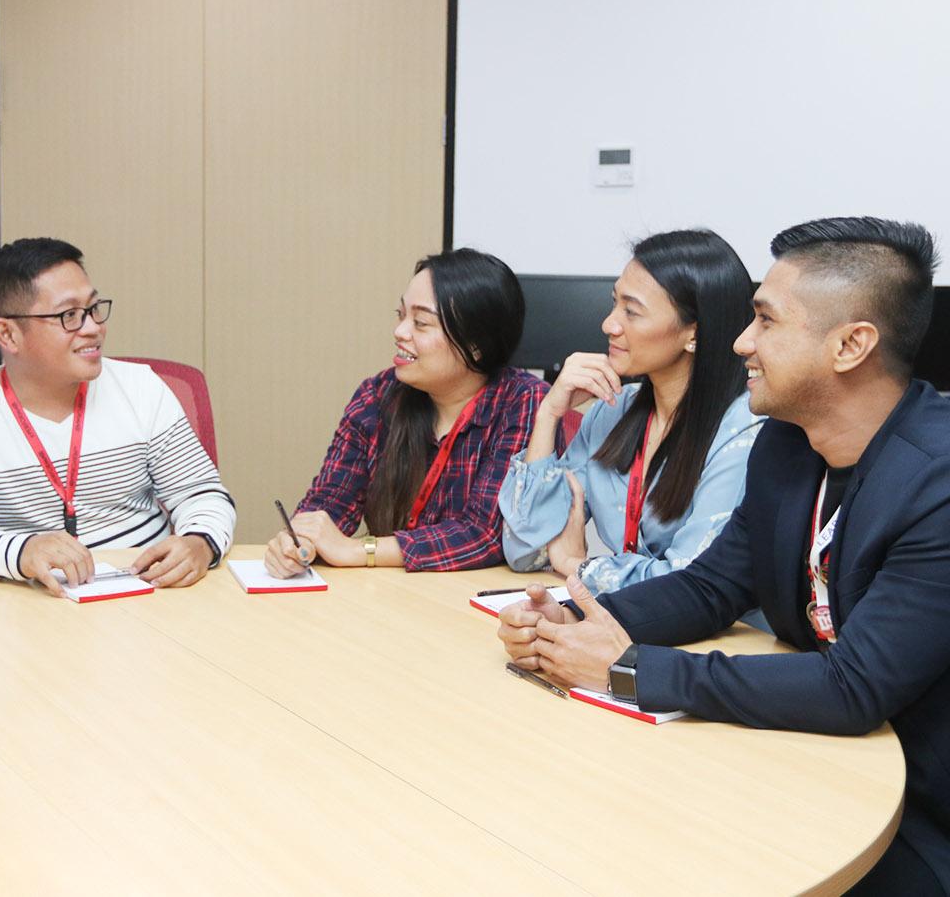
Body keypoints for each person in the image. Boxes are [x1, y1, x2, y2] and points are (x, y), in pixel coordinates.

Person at [497, 217, 950, 895]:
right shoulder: (788, 446)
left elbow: (855, 688)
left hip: (919, 807)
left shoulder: (938, 481)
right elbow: (709, 586)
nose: (740, 342)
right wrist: (573, 620)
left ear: (851, 345)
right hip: (810, 758)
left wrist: (626, 670)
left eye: (765, 321)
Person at [0, 237, 235, 596]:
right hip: (26, 606)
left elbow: (201, 494)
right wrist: (21, 552)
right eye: (68, 316)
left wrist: (201, 542)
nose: (92, 328)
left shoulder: (141, 388)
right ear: (8, 334)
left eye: (93, 309)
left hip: (147, 595)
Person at [497, 230, 762, 596]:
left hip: (717, 643)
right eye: (614, 303)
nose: (609, 324)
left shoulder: (743, 431)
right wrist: (548, 415)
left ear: (694, 334)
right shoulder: (614, 408)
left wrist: (577, 566)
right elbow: (526, 552)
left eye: (631, 311)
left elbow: (688, 582)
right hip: (626, 623)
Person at [263, 248, 547, 577]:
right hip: (391, 594)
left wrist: (358, 550)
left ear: (475, 344)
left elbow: (485, 533)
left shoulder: (524, 402)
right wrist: (300, 543)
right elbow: (331, 501)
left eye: (421, 323)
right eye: (401, 315)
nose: (400, 332)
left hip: (476, 602)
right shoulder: (378, 394)